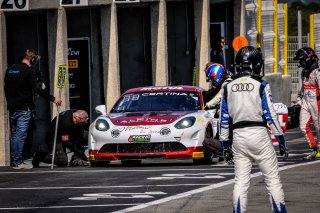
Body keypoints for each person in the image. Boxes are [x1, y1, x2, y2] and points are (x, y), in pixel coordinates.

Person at [219, 46, 287, 213]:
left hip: (238, 137)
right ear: (256, 64)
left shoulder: (228, 87)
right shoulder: (261, 85)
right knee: (272, 181)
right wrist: (281, 140)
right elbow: (270, 115)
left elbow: (224, 120)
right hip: (259, 135)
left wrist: (225, 146)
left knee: (241, 182)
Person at [4, 49, 62, 169]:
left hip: (12, 107)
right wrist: (53, 98)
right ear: (31, 59)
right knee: (20, 135)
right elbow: (37, 89)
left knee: (15, 135)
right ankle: (17, 162)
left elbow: (6, 87)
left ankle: (16, 160)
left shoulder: (10, 69)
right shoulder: (28, 70)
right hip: (24, 107)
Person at [293, 47, 320, 159]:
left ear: (308, 59)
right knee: (303, 127)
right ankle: (314, 149)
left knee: (319, 128)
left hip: (316, 102)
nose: (300, 63)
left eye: (301, 60)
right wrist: (299, 101)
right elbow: (303, 89)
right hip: (306, 101)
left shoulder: (317, 72)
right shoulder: (304, 72)